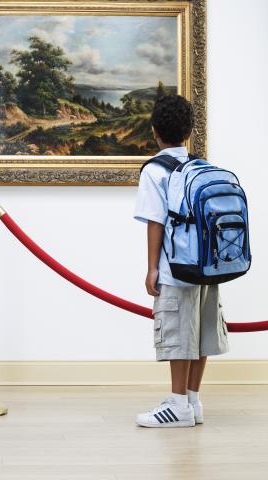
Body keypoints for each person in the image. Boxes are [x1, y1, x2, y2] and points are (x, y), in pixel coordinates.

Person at [133, 95, 229, 427]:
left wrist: (152, 267)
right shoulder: (199, 166)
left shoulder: (154, 170)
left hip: (177, 269)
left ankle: (177, 407)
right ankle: (192, 401)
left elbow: (155, 220)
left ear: (155, 131)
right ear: (189, 132)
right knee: (201, 332)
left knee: (178, 334)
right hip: (208, 266)